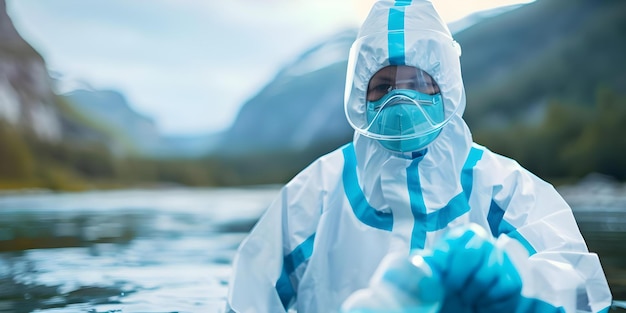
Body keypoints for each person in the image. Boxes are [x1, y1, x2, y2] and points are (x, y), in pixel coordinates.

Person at [226, 0, 613, 312]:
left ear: (445, 87)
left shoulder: (506, 191)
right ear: (361, 98)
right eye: (382, 85)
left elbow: (584, 291)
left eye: (416, 81)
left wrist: (521, 288)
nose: (399, 97)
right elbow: (248, 294)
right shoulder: (313, 197)